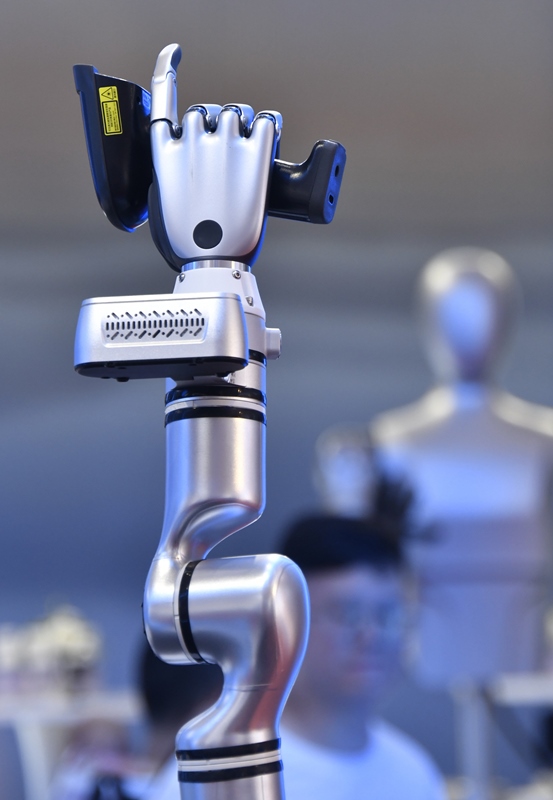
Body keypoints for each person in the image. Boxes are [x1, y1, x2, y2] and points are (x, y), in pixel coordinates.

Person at [279, 514, 446, 800]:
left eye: (388, 615)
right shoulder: (239, 773)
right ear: (287, 620)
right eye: (347, 614)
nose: (371, 636)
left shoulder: (413, 774)